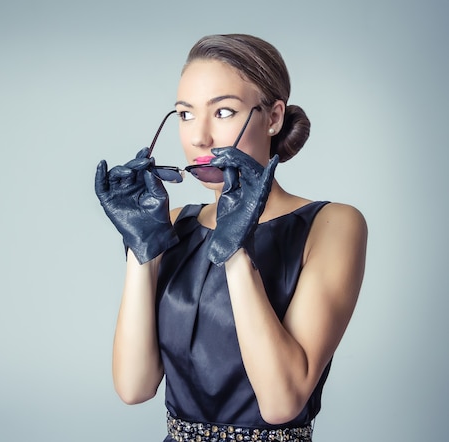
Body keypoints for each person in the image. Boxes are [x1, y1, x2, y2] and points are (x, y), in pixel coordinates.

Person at [94, 34, 367, 442]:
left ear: (273, 117)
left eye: (223, 111)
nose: (199, 137)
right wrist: (140, 251)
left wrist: (235, 251)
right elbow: (134, 388)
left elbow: (281, 402)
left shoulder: (332, 225)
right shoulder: (169, 225)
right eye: (185, 115)